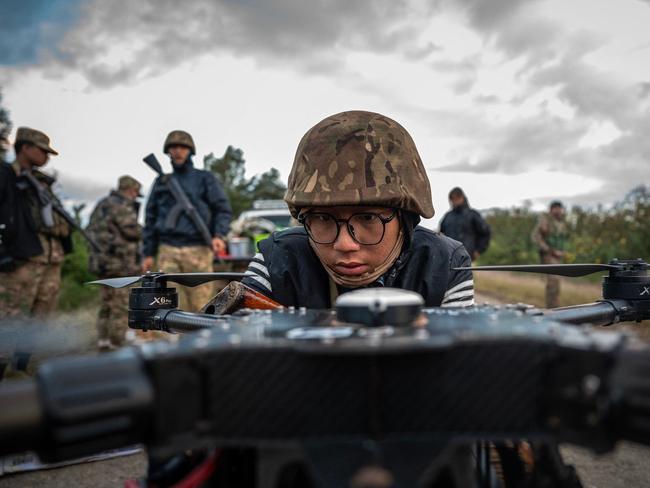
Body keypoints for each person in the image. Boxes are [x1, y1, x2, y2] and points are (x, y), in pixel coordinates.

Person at [241, 110, 474, 308]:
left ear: (405, 220)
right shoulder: (278, 261)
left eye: (368, 217)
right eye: (322, 218)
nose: (344, 244)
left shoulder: (442, 265)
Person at [142, 130, 232, 311]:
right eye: (173, 147)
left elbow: (222, 209)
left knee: (202, 306)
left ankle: (201, 338)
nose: (177, 151)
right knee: (167, 306)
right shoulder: (161, 181)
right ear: (168, 151)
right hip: (168, 250)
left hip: (198, 250)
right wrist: (148, 253)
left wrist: (219, 235)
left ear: (190, 151)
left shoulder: (205, 179)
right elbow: (150, 218)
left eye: (182, 147)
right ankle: (170, 340)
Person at [0, 127, 72, 319]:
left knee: (39, 325)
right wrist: (3, 253)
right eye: (43, 151)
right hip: (19, 261)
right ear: (25, 147)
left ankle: (28, 351)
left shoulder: (41, 183)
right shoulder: (6, 176)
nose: (47, 157)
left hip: (50, 259)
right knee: (10, 321)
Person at [87, 175, 143, 350]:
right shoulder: (121, 205)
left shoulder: (102, 204)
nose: (135, 196)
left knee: (106, 302)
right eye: (135, 193)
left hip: (102, 263)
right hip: (119, 264)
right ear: (131, 190)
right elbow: (132, 231)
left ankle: (103, 339)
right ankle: (117, 342)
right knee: (121, 303)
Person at [531, 200, 568, 308]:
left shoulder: (561, 223)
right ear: (551, 209)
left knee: (556, 284)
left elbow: (562, 240)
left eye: (560, 208)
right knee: (553, 283)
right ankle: (552, 309)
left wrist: (563, 252)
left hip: (558, 257)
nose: (558, 210)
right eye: (556, 208)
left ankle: (555, 307)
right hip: (549, 256)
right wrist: (549, 250)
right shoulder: (545, 221)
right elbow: (535, 237)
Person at [439, 187, 491, 261]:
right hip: (448, 258)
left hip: (466, 257)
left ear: (462, 198)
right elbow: (441, 235)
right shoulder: (447, 217)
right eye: (452, 199)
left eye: (457, 198)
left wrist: (478, 250)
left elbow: (485, 233)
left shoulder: (473, 215)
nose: (454, 201)